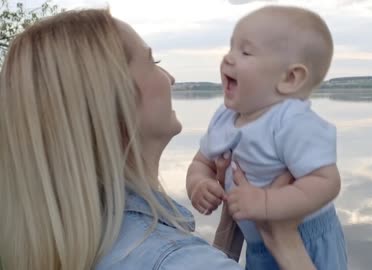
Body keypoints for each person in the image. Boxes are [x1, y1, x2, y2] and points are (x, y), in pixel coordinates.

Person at [0, 9, 317, 270]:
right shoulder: (175, 260)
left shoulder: (67, 234)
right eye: (153, 62)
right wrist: (284, 242)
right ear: (114, 99)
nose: (171, 79)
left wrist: (227, 227)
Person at [186, 5, 348, 270]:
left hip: (307, 240)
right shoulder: (224, 116)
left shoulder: (291, 121)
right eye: (231, 48)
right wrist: (198, 183)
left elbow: (326, 182)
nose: (228, 58)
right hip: (258, 244)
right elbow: (201, 161)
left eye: (245, 51)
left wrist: (266, 203)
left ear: (290, 78)